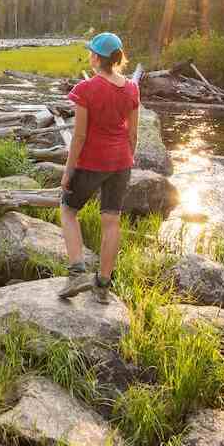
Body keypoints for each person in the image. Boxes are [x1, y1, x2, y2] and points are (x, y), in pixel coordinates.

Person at [58, 32, 140, 303]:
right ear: (117, 58)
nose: (90, 56)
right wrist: (129, 158)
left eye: (91, 52)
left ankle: (77, 271)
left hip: (93, 160)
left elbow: (79, 136)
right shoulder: (131, 88)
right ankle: (103, 285)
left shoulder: (86, 89)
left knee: (68, 210)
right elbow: (133, 134)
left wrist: (69, 170)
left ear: (96, 57)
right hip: (121, 162)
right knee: (111, 221)